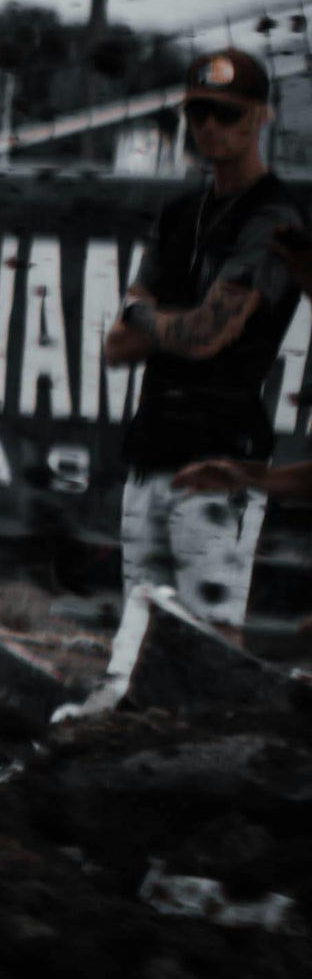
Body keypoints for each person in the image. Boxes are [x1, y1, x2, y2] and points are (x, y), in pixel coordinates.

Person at [100, 49, 305, 628]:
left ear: (259, 117)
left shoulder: (274, 219)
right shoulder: (180, 213)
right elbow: (115, 348)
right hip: (151, 450)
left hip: (220, 458)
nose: (209, 126)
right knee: (139, 637)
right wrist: (161, 323)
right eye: (199, 113)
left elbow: (205, 336)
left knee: (208, 642)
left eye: (224, 112)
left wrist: (145, 316)